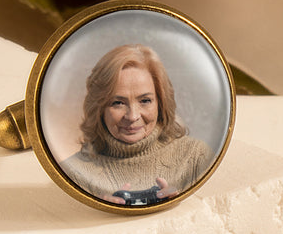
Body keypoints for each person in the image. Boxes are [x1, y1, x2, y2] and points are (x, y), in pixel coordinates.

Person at [59, 44, 212, 206]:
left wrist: (183, 204)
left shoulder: (196, 156)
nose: (132, 116)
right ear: (99, 108)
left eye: (145, 101)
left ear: (161, 103)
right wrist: (95, 211)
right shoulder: (72, 172)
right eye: (117, 103)